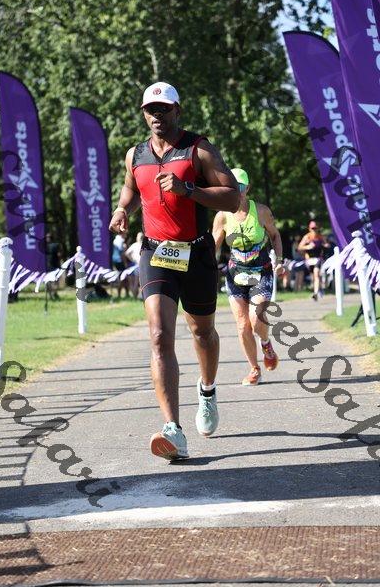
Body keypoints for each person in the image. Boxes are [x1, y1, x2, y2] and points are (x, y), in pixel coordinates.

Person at [109, 81, 239, 460]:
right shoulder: (135, 154)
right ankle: (173, 429)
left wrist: (189, 190)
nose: (157, 115)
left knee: (202, 333)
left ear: (177, 110)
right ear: (143, 114)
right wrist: (122, 210)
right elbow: (132, 189)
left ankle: (207, 390)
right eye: (150, 110)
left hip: (196, 253)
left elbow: (233, 197)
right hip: (155, 252)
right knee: (159, 335)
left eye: (163, 109)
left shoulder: (199, 149)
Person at [212, 168, 284, 386]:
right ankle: (254, 369)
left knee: (256, 318)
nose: (237, 191)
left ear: (247, 188)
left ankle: (266, 343)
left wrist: (280, 260)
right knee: (242, 325)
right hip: (235, 274)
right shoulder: (222, 216)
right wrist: (205, 268)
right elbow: (213, 246)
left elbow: (275, 235)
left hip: (261, 271)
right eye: (232, 187)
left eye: (241, 187)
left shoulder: (261, 211)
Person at [298, 220, 325, 300]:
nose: (314, 230)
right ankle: (319, 289)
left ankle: (316, 293)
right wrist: (307, 247)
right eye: (313, 228)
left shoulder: (320, 237)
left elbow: (326, 244)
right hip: (309, 260)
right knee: (313, 276)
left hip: (318, 259)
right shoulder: (307, 237)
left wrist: (325, 245)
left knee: (316, 274)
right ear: (309, 229)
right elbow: (299, 247)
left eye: (315, 228)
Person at [45, 232, 62, 301]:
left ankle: (50, 295)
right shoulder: (57, 245)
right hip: (55, 265)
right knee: (55, 281)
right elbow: (59, 255)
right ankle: (54, 293)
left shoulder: (44, 246)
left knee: (48, 281)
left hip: (47, 266)